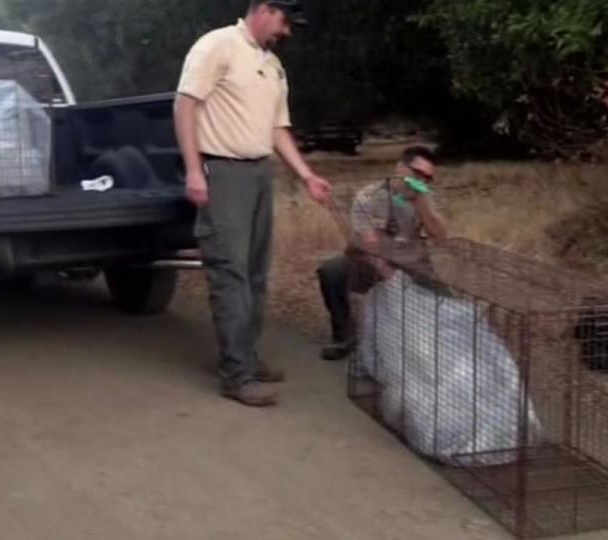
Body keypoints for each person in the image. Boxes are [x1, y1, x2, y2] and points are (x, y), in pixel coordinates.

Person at [174, 0, 331, 407]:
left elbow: (278, 129)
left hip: (260, 174)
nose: (287, 32)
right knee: (231, 272)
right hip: (223, 173)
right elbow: (185, 105)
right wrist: (194, 170)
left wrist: (306, 175)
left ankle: (247, 355)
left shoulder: (272, 66)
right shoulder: (217, 45)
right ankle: (236, 375)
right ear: (263, 9)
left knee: (256, 273)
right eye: (284, 21)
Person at [316, 145, 448, 361]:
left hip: (414, 265)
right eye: (417, 173)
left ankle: (438, 347)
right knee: (332, 271)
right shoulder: (369, 195)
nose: (421, 180)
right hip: (372, 263)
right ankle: (344, 335)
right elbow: (367, 243)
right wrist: (391, 278)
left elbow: (441, 239)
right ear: (400, 168)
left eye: (427, 178)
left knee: (449, 303)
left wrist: (422, 204)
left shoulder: (425, 198)